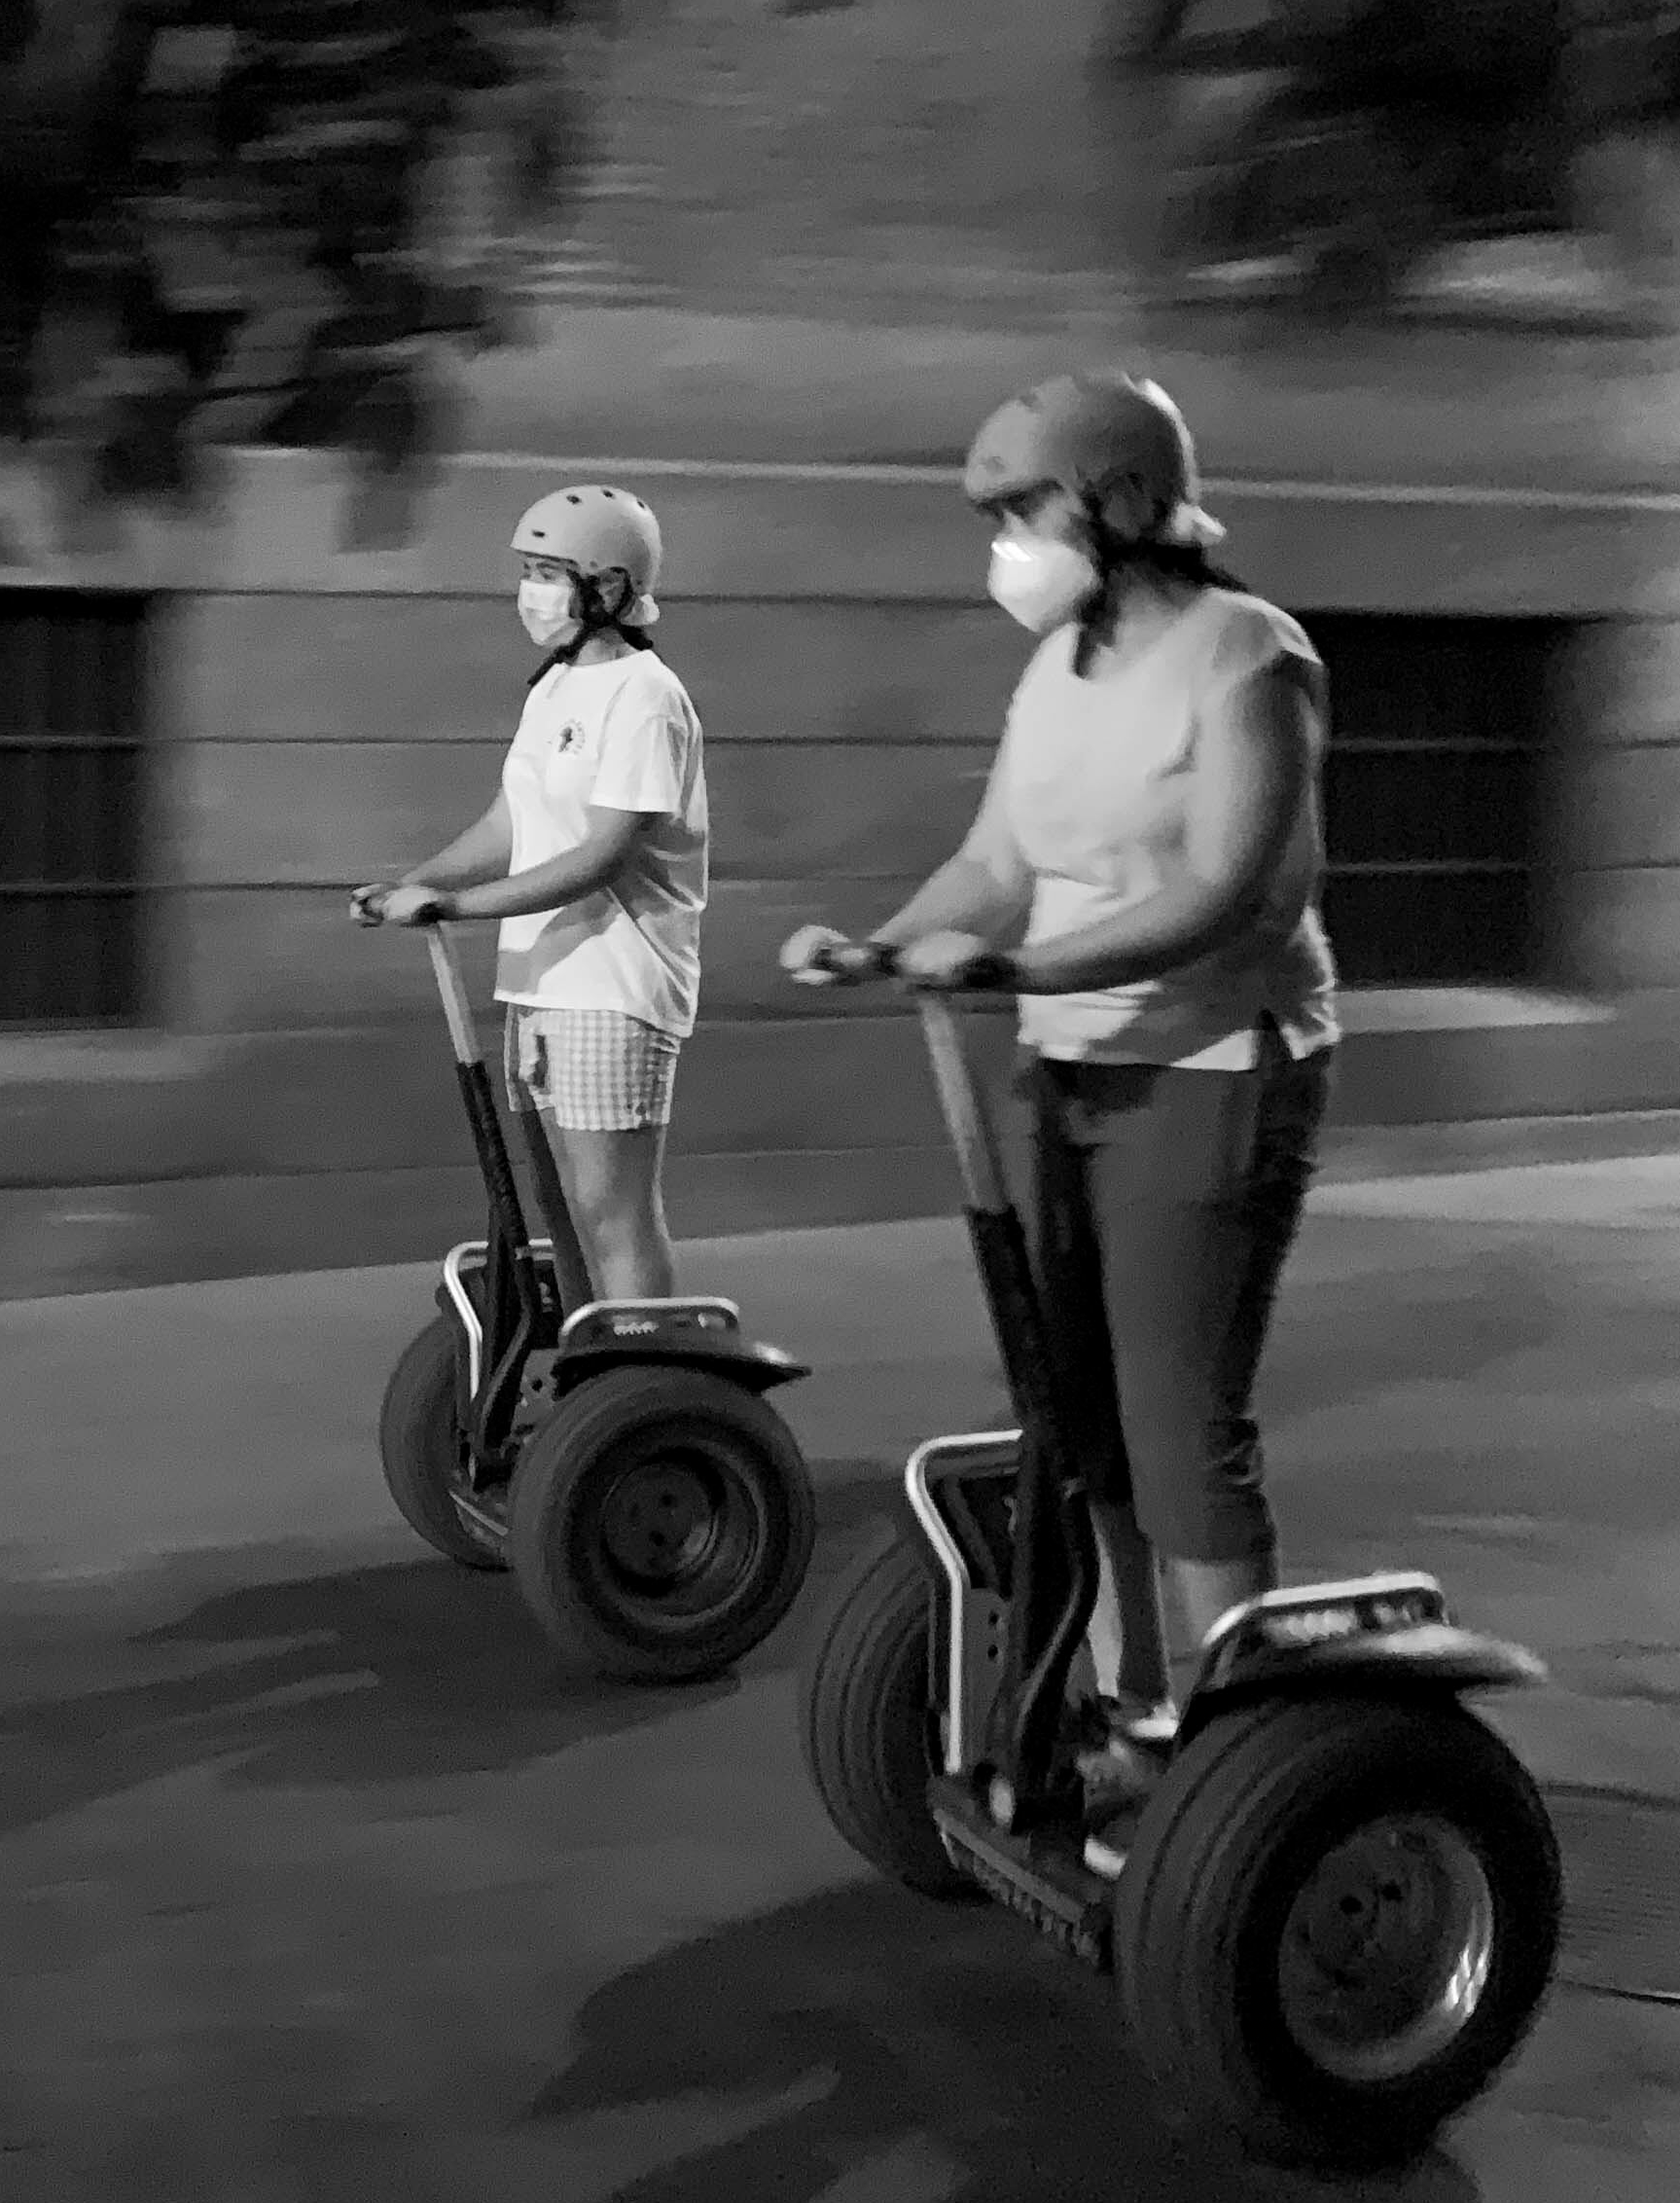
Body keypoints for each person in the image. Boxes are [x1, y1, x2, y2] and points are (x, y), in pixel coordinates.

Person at [780, 373, 1339, 1747]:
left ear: (1128, 503)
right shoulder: (1054, 669)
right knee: (1068, 1413)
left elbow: (1223, 888)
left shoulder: (1247, 656)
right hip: (1065, 1061)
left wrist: (1021, 968)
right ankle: (1125, 1696)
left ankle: (1234, 1750)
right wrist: (884, 945)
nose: (1008, 546)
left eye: (1027, 509)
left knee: (1177, 1425)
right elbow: (995, 861)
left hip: (1211, 1064)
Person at [356, 486, 710, 1303]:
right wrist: (416, 884)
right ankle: (597, 1388)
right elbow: (512, 818)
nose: (533, 590)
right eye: (528, 570)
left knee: (611, 1212)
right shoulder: (553, 687)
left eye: (553, 571)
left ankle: (644, 1381)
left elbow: (601, 854)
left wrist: (455, 910)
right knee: (566, 1213)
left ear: (611, 587)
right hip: (542, 980)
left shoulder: (646, 696)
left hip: (613, 987)